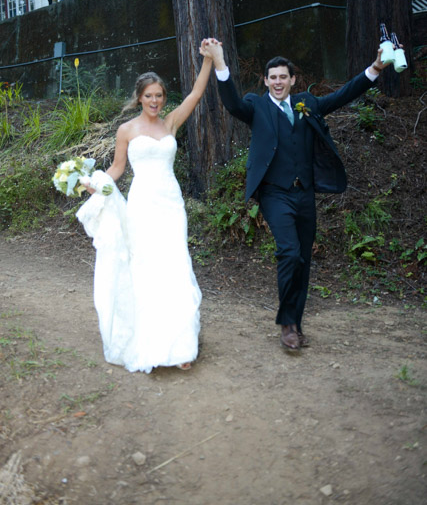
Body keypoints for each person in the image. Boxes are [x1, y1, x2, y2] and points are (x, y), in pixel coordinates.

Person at [202, 38, 394, 353]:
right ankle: (287, 324)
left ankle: (297, 323)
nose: (278, 82)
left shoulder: (308, 103)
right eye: (272, 77)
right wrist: (220, 62)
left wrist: (375, 68)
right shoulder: (257, 106)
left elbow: (343, 95)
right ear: (265, 81)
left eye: (283, 77)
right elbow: (233, 104)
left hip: (304, 195)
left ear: (292, 80)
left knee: (303, 259)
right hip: (274, 195)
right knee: (289, 252)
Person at [77, 42, 214, 373]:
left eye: (160, 96)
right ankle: (151, 341)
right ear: (139, 97)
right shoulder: (127, 130)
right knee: (147, 268)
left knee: (175, 264)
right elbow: (117, 169)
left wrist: (208, 60)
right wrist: (94, 183)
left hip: (170, 203)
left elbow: (196, 94)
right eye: (149, 96)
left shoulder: (170, 124)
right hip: (142, 205)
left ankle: (181, 345)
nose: (155, 101)